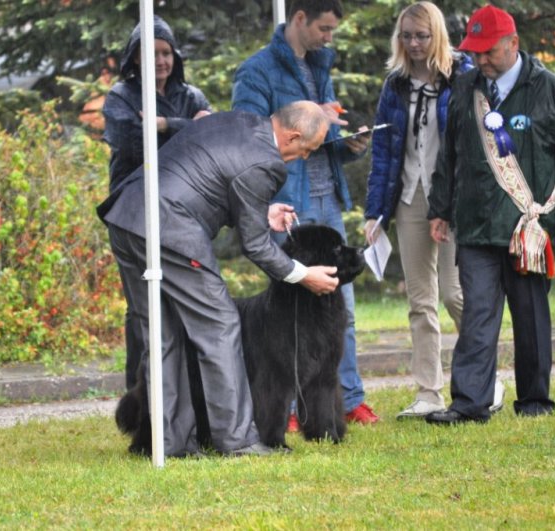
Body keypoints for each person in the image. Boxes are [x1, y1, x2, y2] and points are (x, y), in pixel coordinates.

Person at [98, 101, 338, 457]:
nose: (303, 158)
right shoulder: (267, 162)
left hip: (129, 216)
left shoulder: (238, 121)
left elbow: (210, 176)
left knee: (165, 333)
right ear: (293, 135)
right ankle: (238, 441)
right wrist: (303, 275)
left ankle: (170, 443)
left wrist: (260, 210)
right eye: (307, 150)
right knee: (221, 324)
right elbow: (256, 246)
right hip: (169, 226)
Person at [425, 5, 555, 425]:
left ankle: (535, 400)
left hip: (529, 227)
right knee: (478, 315)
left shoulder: (554, 91)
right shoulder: (465, 88)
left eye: (490, 51)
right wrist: (440, 209)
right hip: (476, 224)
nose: (482, 60)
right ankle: (469, 404)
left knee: (530, 314)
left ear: (513, 43)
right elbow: (450, 155)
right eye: (476, 51)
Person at [232, 0, 379, 425]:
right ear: (299, 19)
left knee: (337, 306)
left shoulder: (320, 68)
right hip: (287, 203)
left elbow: (321, 136)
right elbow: (250, 136)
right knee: (291, 306)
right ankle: (288, 406)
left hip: (326, 197)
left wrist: (349, 144)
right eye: (325, 28)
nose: (329, 37)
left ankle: (346, 400)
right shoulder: (256, 71)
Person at [364, 2, 505, 419]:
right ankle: (429, 391)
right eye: (406, 35)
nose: (414, 43)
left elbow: (481, 139)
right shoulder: (395, 85)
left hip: (453, 201)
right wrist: (375, 212)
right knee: (420, 301)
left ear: (437, 35)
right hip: (410, 197)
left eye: (422, 36)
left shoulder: (463, 77)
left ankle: (486, 377)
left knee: (454, 292)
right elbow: (384, 153)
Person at [102, 15, 211, 389]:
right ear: (135, 58)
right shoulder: (120, 97)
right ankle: (141, 394)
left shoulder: (191, 95)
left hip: (182, 210)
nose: (161, 61)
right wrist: (186, 126)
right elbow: (132, 145)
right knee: (143, 309)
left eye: (167, 53)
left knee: (183, 303)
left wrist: (164, 125)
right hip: (134, 211)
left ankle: (184, 389)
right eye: (152, 54)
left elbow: (209, 142)